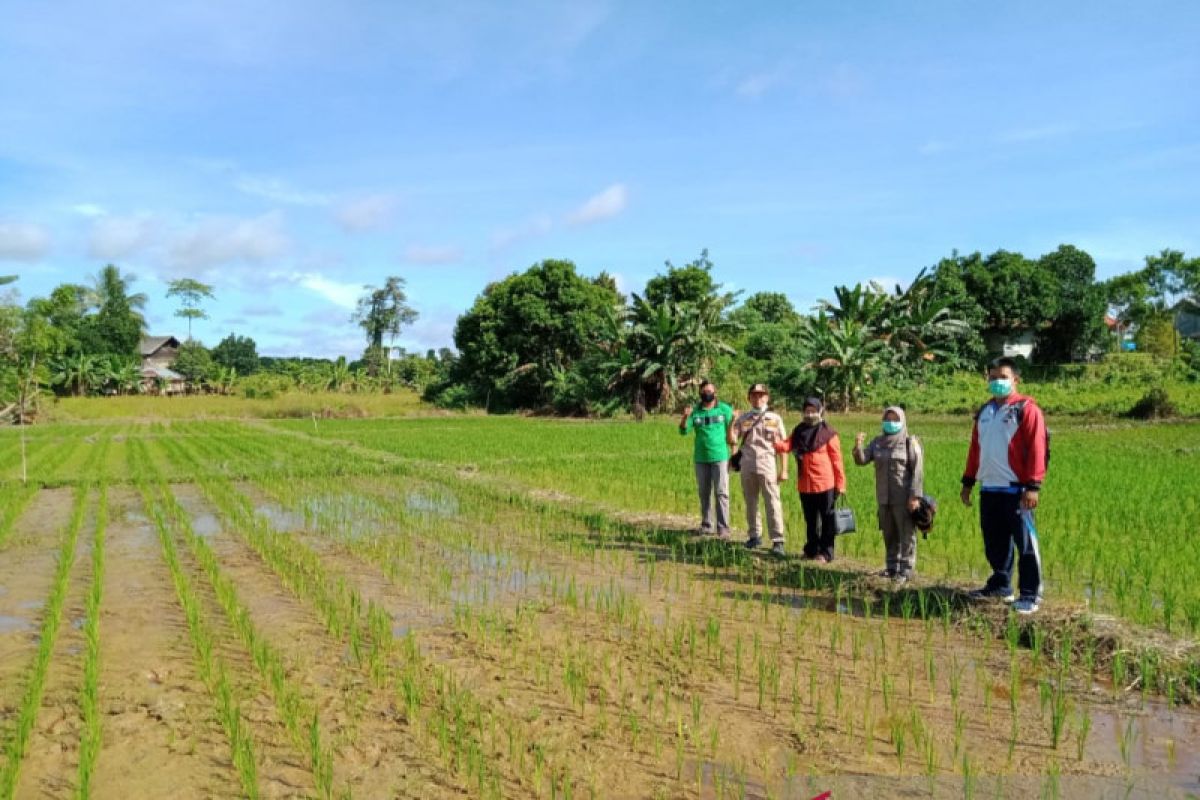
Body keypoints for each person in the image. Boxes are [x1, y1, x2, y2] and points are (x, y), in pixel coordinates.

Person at [960, 357, 1048, 615]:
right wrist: (968, 482)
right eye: (993, 377)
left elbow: (1037, 448)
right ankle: (1001, 584)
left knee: (1026, 544)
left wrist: (1033, 486)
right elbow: (976, 450)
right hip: (990, 488)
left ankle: (1030, 594)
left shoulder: (1026, 409)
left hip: (1017, 489)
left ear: (1015, 380)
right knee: (995, 542)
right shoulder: (985, 412)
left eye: (1003, 377)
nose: (997, 382)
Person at [853, 407, 924, 582]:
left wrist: (914, 496)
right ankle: (892, 567)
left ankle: (906, 570)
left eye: (895, 420)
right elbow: (862, 460)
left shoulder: (910, 443)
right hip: (883, 497)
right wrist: (858, 446)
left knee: (906, 534)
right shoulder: (877, 442)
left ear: (902, 422)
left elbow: (917, 471)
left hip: (903, 497)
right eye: (888, 419)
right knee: (889, 533)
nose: (891, 423)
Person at [774, 398, 846, 563]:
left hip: (825, 484)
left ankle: (826, 553)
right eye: (807, 411)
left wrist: (841, 484)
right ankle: (812, 549)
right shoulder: (799, 431)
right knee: (811, 520)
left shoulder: (829, 433)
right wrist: (772, 440)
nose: (810, 414)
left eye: (813, 410)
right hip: (805, 484)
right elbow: (786, 446)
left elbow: (837, 461)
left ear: (820, 411)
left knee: (827, 520)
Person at [729, 384, 788, 555]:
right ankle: (754, 535)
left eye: (761, 395)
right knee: (751, 501)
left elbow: (783, 446)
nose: (758, 398)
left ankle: (778, 540)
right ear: (749, 398)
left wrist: (783, 470)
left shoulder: (775, 419)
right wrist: (732, 420)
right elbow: (732, 439)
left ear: (767, 398)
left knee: (772, 501)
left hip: (767, 464)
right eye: (754, 395)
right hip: (748, 464)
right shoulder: (744, 418)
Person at [679, 381, 736, 539]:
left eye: (710, 390)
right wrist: (685, 416)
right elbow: (684, 431)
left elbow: (733, 431)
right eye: (704, 391)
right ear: (700, 393)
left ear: (715, 392)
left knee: (721, 493)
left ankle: (723, 528)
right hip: (701, 458)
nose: (707, 393)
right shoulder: (695, 411)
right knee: (704, 493)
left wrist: (734, 453)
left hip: (720, 457)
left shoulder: (724, 409)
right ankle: (706, 525)